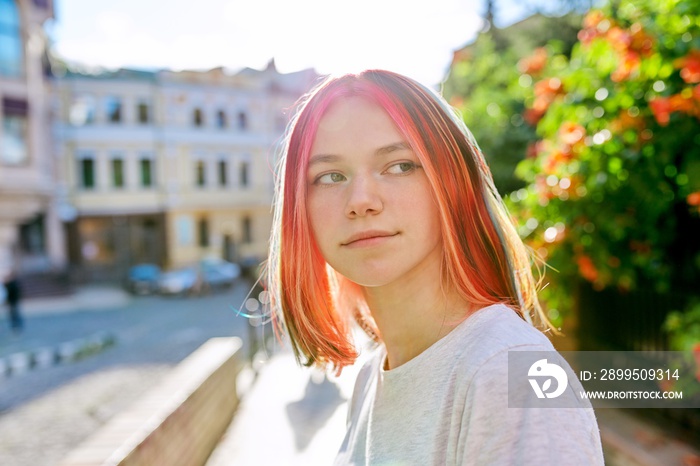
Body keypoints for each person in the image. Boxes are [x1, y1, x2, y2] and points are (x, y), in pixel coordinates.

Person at [265, 70, 604, 465]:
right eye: (329, 176)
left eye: (399, 166)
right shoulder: (370, 377)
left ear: (452, 181)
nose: (361, 200)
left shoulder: (514, 374)